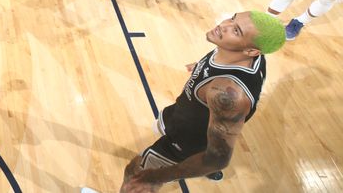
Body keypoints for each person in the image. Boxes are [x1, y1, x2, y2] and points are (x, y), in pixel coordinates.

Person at [120, 11, 286, 192]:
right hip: (182, 113)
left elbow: (218, 159)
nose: (224, 25)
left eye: (236, 30)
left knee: (133, 175)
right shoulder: (242, 52)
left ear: (251, 51)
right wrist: (200, 65)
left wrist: (159, 176)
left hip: (186, 143)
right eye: (232, 18)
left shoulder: (227, 93)